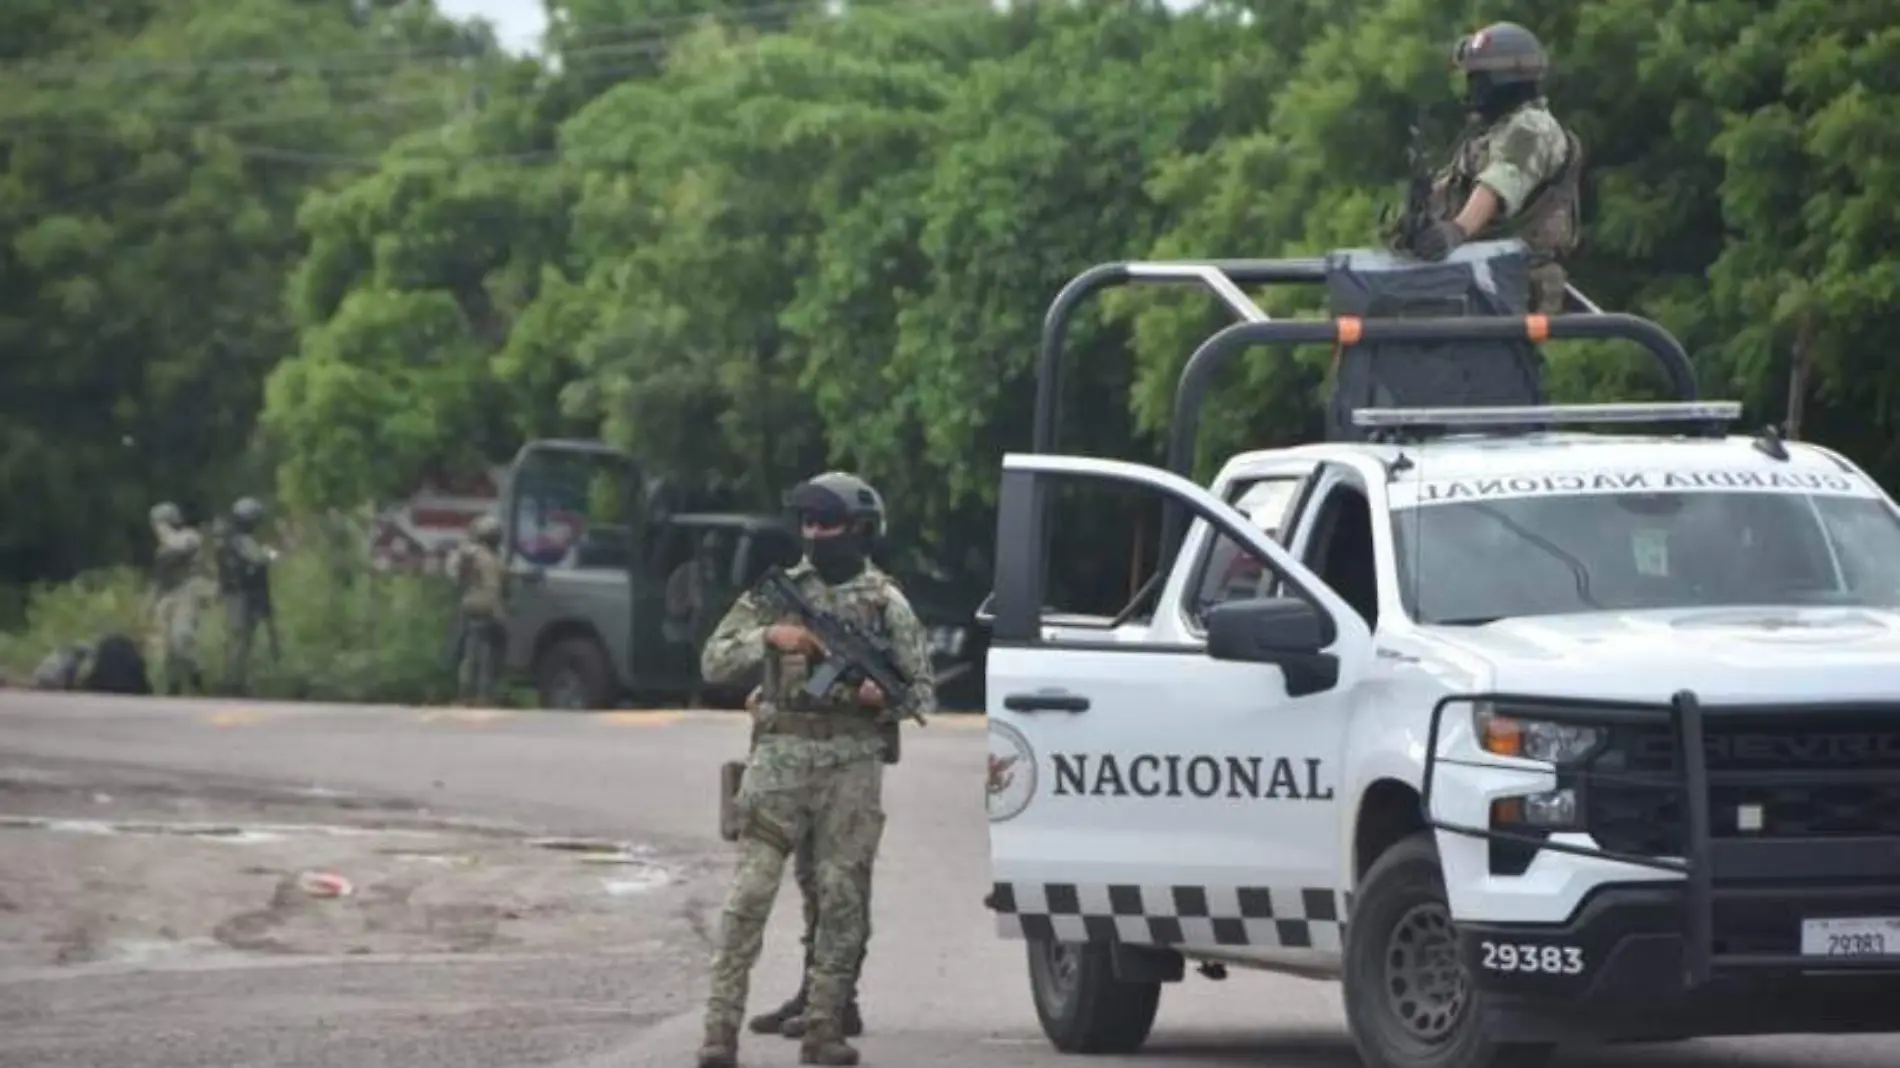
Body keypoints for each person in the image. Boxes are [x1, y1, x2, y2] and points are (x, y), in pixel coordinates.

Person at [694, 471, 935, 1068]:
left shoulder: (886, 603)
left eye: (827, 523)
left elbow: (920, 693)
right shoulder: (778, 596)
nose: (815, 533)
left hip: (851, 766)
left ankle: (824, 1028)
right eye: (807, 522)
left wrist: (882, 699)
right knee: (750, 894)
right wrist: (770, 638)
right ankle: (718, 1032)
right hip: (780, 760)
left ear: (859, 529)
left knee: (841, 898)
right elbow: (714, 660)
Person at [1410, 21, 1583, 314]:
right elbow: (1447, 190)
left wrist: (1457, 230)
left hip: (1513, 289)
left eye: (1479, 78)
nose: (1472, 87)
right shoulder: (1491, 135)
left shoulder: (1532, 128)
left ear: (1504, 80)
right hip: (1484, 282)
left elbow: (1499, 183)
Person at [216, 497, 279, 694]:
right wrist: (271, 554)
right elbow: (259, 558)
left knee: (239, 637)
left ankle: (234, 679)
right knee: (241, 637)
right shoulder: (241, 540)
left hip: (234, 592)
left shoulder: (229, 539)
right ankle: (233, 682)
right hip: (241, 593)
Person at [445, 514, 508, 705]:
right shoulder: (475, 554)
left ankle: (478, 694)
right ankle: (474, 694)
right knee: (477, 656)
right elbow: (456, 573)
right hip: (479, 610)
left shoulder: (491, 557)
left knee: (481, 655)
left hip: (486, 611)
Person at [147, 501, 205, 695]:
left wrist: (166, 533)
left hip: (187, 591)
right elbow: (157, 579)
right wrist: (150, 604)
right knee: (165, 647)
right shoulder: (161, 549)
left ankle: (196, 673)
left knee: (182, 637)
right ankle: (172, 686)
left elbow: (181, 549)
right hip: (167, 595)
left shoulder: (188, 536)